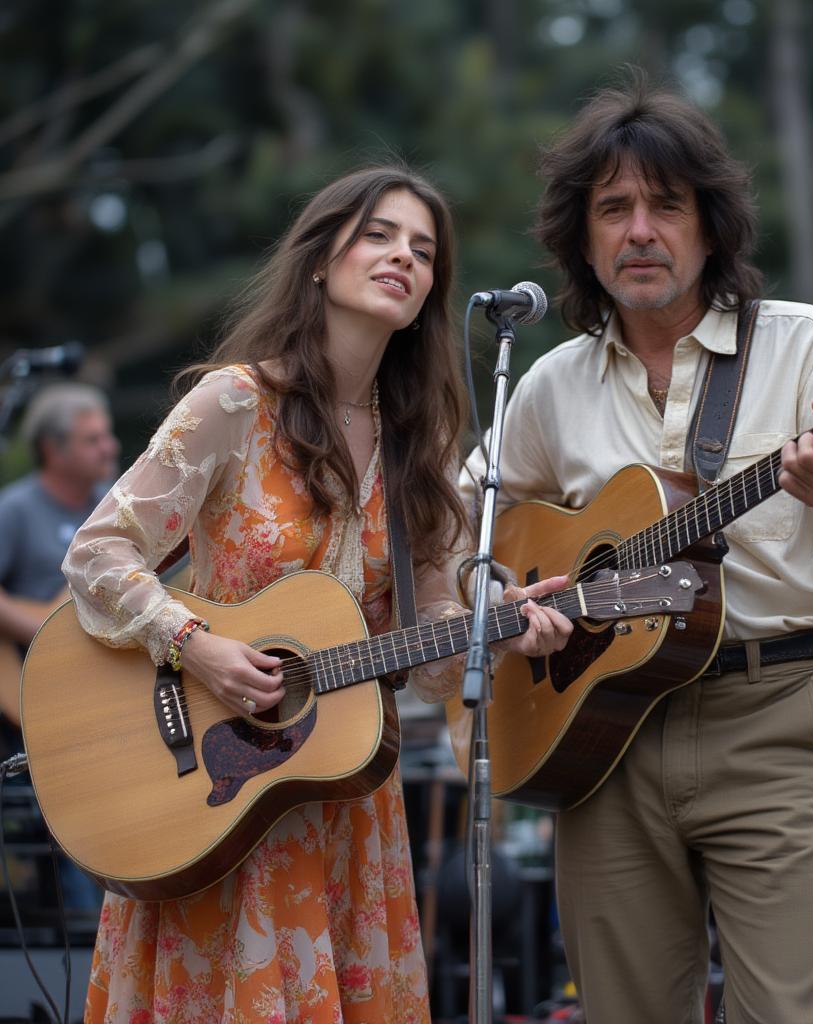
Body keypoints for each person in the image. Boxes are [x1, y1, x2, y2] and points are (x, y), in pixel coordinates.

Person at [61, 166, 572, 1023]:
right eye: (379, 235)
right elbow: (98, 554)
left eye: (423, 251)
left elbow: (433, 649)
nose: (403, 257)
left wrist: (499, 633)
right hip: (210, 791)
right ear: (319, 260)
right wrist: (198, 644)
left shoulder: (424, 444)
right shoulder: (234, 403)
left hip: (344, 800)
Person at [460, 76, 813, 1024]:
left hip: (775, 709)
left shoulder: (804, 347)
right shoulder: (548, 385)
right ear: (580, 236)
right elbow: (461, 528)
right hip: (600, 734)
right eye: (613, 208)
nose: (639, 231)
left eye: (666, 206)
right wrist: (511, 600)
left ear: (711, 225)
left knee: (793, 1012)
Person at [0, 383, 120, 726]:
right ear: (53, 451)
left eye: (107, 436)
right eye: (92, 440)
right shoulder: (15, 508)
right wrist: (42, 633)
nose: (109, 448)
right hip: (38, 685)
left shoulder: (111, 506)